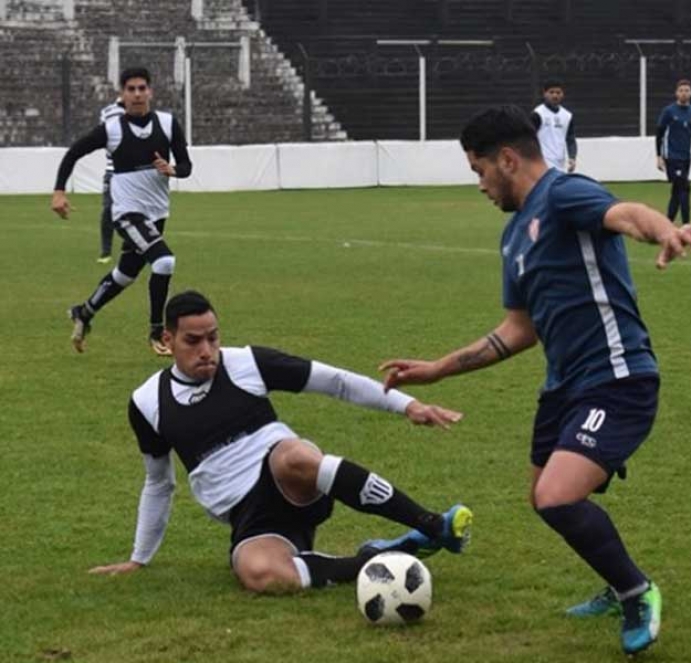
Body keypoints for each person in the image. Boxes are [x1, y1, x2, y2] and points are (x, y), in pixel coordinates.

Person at [378, 105, 691, 655]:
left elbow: (624, 214)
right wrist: (437, 368)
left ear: (508, 159)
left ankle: (636, 590)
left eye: (480, 171)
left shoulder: (563, 194)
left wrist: (665, 231)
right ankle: (614, 578)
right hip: (564, 386)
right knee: (542, 497)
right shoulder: (513, 238)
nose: (480, 185)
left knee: (558, 496)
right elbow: (518, 329)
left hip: (617, 376)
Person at [89, 290, 473, 596]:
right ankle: (376, 559)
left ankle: (434, 524)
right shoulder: (146, 402)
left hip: (289, 480)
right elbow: (159, 483)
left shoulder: (246, 363)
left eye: (213, 337)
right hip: (249, 515)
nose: (207, 350)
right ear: (167, 340)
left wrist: (407, 405)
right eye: (193, 341)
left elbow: (334, 381)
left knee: (293, 455)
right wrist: (139, 558)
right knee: (264, 576)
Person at [51, 66, 192, 356]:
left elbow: (187, 167)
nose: (138, 94)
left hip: (156, 212)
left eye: (142, 88)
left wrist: (173, 170)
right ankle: (157, 332)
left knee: (125, 274)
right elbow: (74, 152)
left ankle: (84, 312)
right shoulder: (112, 129)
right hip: (127, 213)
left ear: (150, 91)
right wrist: (59, 192)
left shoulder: (167, 124)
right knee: (164, 262)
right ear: (122, 94)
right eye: (131, 89)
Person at [655, 79, 691, 225]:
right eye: (681, 90)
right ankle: (686, 224)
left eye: (686, 90)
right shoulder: (669, 111)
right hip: (672, 157)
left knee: (677, 191)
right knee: (685, 187)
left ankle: (667, 223)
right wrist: (659, 156)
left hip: (686, 158)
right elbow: (659, 133)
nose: (684, 93)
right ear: (676, 93)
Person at [96, 97, 126, 264]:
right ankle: (105, 250)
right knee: (108, 210)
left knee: (134, 210)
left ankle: (132, 244)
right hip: (112, 169)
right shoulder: (108, 112)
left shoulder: (140, 112)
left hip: (131, 171)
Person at [532, 79, 577, 172]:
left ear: (562, 94)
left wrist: (572, 157)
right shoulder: (538, 113)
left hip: (560, 162)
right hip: (542, 161)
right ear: (545, 94)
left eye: (558, 92)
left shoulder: (567, 116)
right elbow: (529, 136)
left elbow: (570, 139)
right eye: (551, 92)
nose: (555, 95)